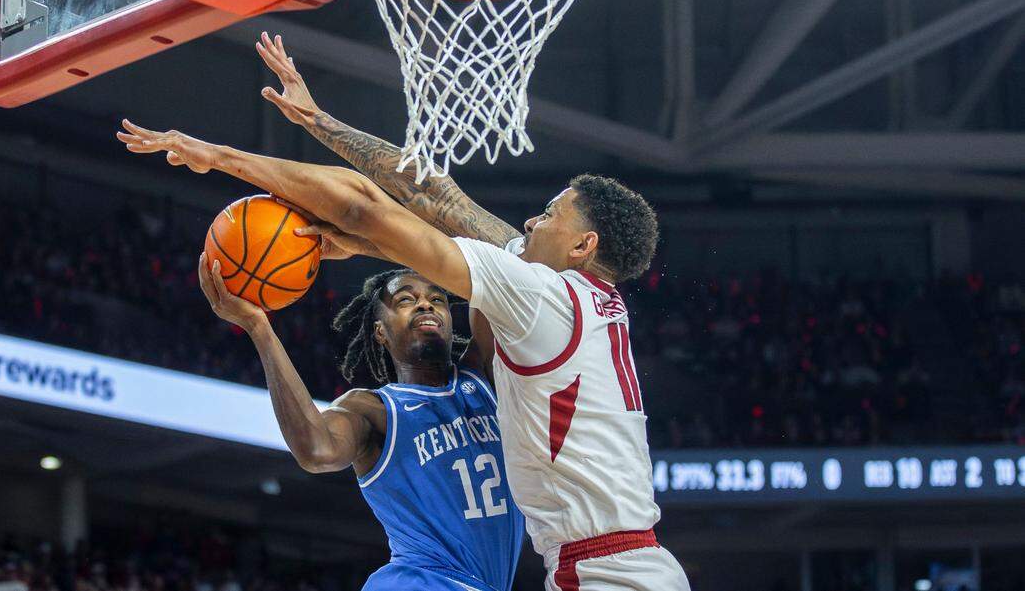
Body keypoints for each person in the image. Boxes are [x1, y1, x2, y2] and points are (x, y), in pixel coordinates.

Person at [116, 30, 689, 590]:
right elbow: (437, 197)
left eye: (550, 214)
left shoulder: (544, 298)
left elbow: (363, 206)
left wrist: (217, 155)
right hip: (622, 565)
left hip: (608, 574)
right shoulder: (579, 301)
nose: (533, 222)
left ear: (583, 247)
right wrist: (318, 122)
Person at [192, 249, 523, 591]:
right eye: (406, 300)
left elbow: (499, 270)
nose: (426, 304)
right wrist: (259, 328)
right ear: (380, 332)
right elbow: (316, 450)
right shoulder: (375, 410)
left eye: (437, 299)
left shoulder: (482, 375)